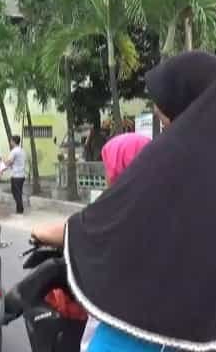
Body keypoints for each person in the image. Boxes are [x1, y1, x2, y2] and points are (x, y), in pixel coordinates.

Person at [29, 52, 216, 351]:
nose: (157, 109)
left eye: (161, 102)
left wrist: (58, 233)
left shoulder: (176, 155)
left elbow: (115, 220)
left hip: (155, 324)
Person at [79, 132, 153, 351]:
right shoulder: (168, 198)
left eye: (108, 166)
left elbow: (78, 230)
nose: (107, 174)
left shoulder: (118, 208)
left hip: (123, 325)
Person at [5, 135, 27, 214]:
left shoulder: (14, 151)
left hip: (16, 175)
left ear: (14, 141)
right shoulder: (22, 151)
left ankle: (20, 209)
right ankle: (19, 208)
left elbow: (9, 162)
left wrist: (4, 162)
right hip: (22, 175)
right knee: (18, 192)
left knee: (15, 192)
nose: (10, 143)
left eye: (11, 141)